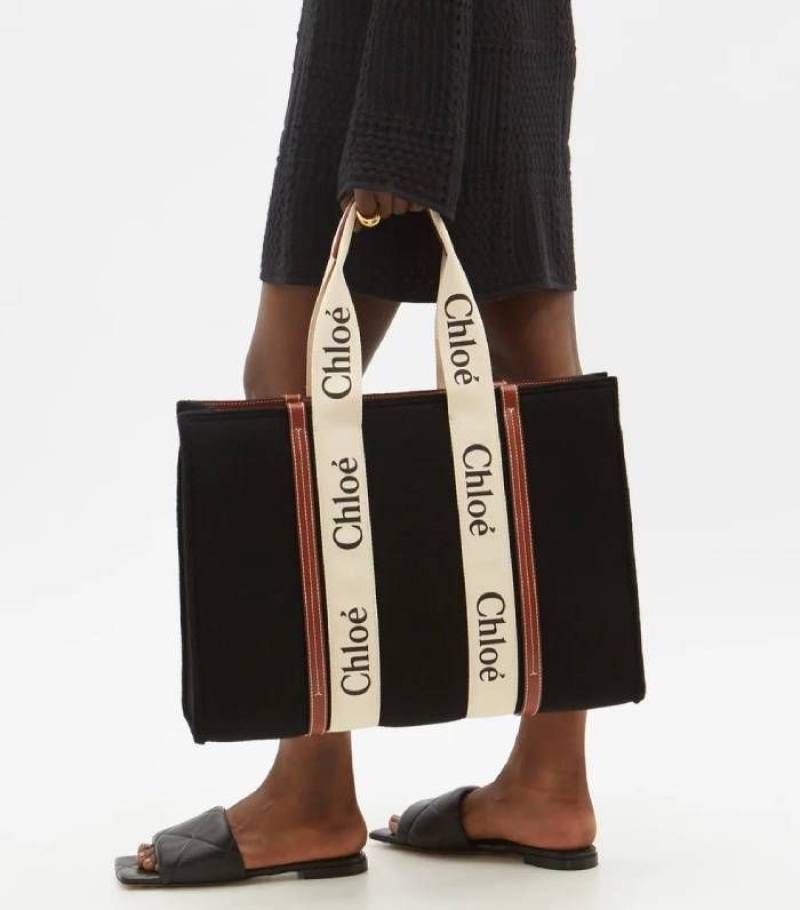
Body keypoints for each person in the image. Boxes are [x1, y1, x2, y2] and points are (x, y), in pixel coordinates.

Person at [124, 0, 596, 884]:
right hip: (504, 32)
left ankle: (310, 793)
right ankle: (549, 781)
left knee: (288, 389)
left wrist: (399, 125)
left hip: (397, 40)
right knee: (537, 394)